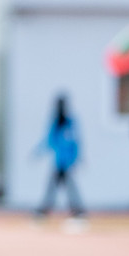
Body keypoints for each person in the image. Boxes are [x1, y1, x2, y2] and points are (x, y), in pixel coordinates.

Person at [35, 95, 84, 225]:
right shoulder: (56, 122)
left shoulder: (70, 122)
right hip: (58, 162)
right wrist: (38, 151)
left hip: (66, 162)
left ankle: (76, 209)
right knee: (55, 186)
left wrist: (75, 158)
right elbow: (49, 140)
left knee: (68, 187)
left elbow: (75, 142)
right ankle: (46, 209)